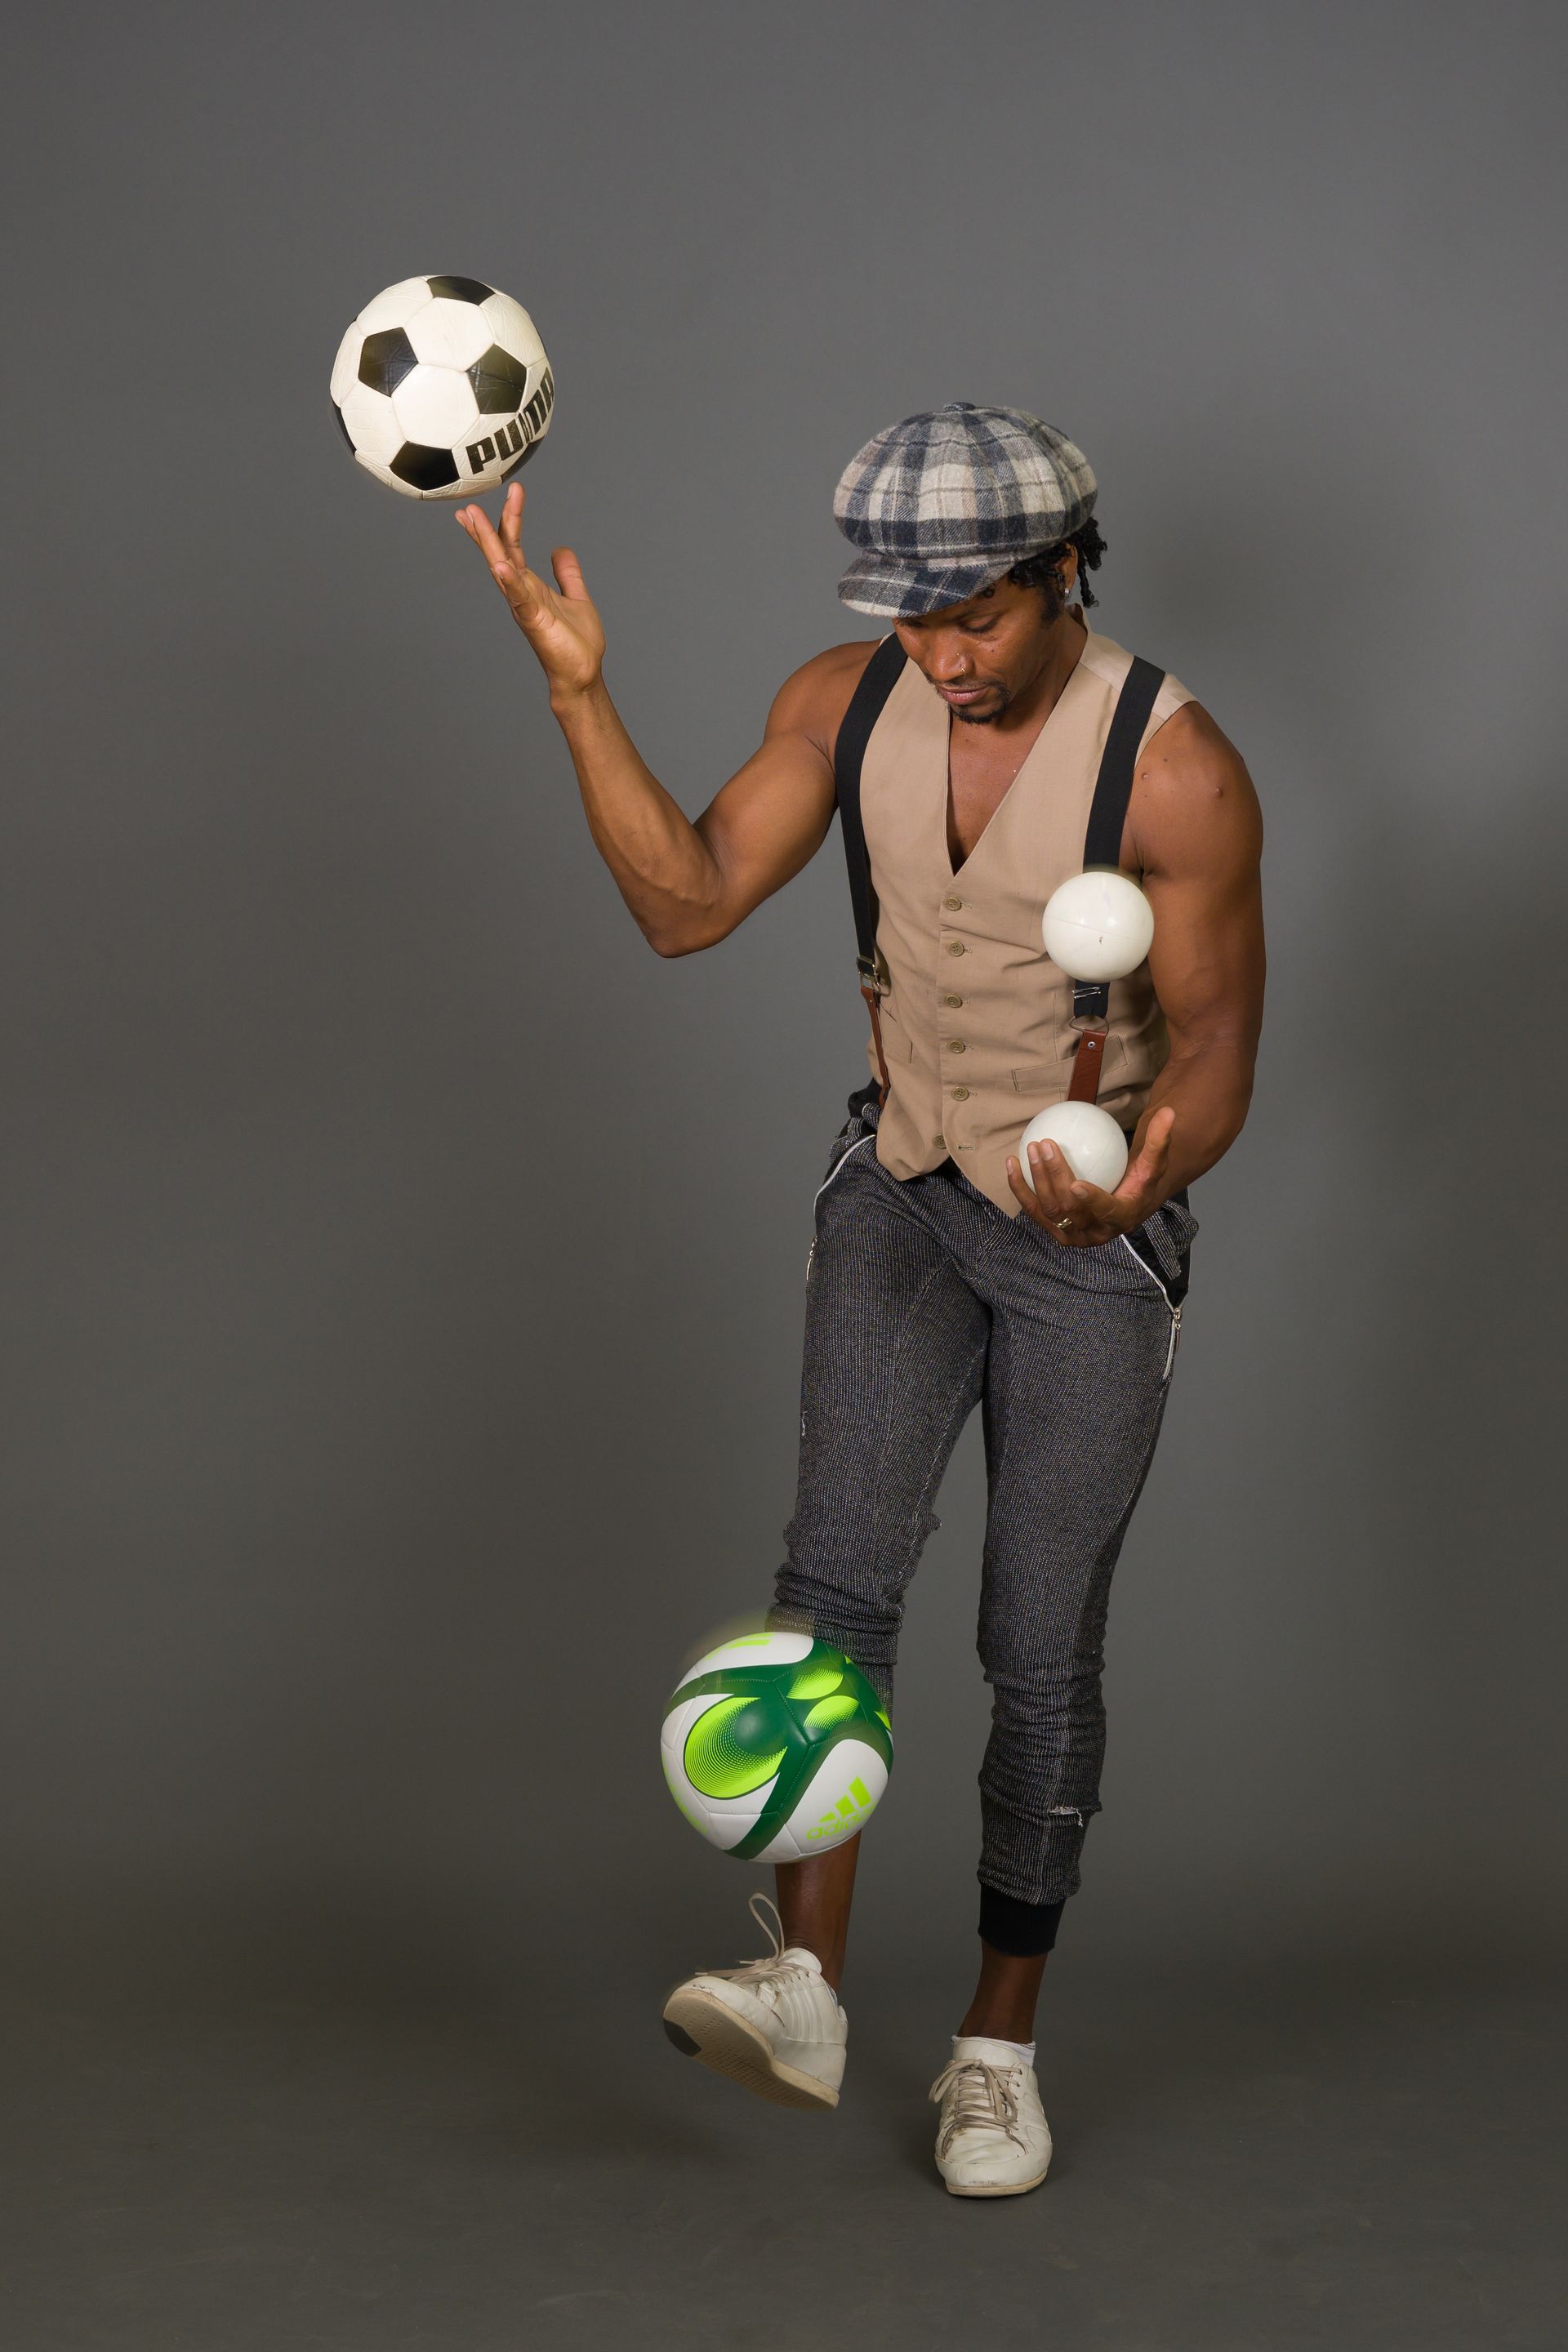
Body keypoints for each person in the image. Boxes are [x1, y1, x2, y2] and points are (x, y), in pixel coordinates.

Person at [456, 403, 1264, 2196]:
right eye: (911, 616)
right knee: (831, 1593)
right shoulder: (851, 700)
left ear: (1066, 576)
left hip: (1087, 1247)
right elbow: (683, 906)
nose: (941, 654)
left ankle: (995, 2054)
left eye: (974, 614)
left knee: (1037, 1653)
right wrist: (581, 694)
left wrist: (1149, 1166)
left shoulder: (1177, 766)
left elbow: (1214, 1048)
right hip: (902, 1192)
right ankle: (804, 1982)